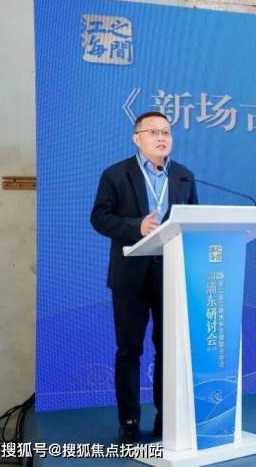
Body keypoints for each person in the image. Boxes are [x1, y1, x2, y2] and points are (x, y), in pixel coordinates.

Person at [90, 111, 198, 443]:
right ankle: (129, 421)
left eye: (166, 132)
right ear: (137, 138)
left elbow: (193, 220)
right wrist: (135, 226)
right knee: (129, 350)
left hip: (170, 274)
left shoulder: (183, 176)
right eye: (153, 132)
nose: (161, 137)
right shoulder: (116, 174)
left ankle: (167, 417)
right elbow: (99, 218)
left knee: (168, 349)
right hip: (130, 276)